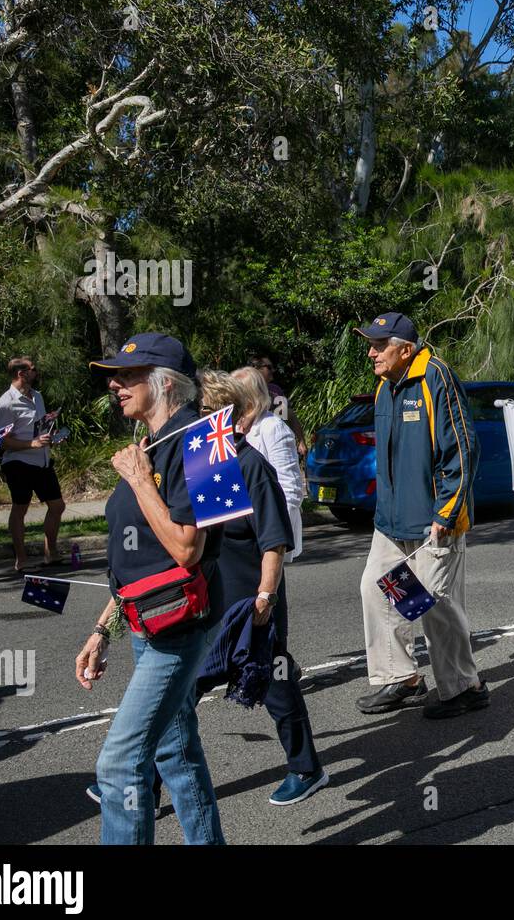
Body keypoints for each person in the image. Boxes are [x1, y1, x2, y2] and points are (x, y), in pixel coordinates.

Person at [74, 334, 225, 844]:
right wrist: (102, 630)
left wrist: (141, 482)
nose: (114, 384)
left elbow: (186, 550)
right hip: (144, 619)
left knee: (118, 766)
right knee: (174, 752)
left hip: (180, 626)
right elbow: (137, 562)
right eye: (114, 375)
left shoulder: (203, 441)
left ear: (164, 383)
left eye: (127, 375)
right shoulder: (147, 445)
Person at [197, 370, 326, 803]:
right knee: (183, 691)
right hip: (210, 601)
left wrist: (265, 597)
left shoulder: (251, 464)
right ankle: (144, 780)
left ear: (220, 416)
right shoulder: (204, 463)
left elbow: (273, 540)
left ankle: (306, 768)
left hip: (253, 599)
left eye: (199, 414)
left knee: (274, 679)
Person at [353, 312, 487, 719]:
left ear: (405, 349)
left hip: (435, 520)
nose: (373, 353)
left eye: (380, 345)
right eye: (371, 345)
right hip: (391, 522)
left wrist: (445, 513)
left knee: (433, 605)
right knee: (376, 590)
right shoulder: (384, 387)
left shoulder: (435, 377)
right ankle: (403, 679)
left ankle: (464, 687)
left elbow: (462, 449)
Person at [0, 356, 66, 572]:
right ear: (21, 373)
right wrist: (31, 444)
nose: (36, 372)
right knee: (20, 508)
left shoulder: (37, 396)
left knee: (57, 505)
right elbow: (2, 441)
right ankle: (21, 560)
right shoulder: (5, 403)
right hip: (18, 461)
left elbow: (40, 429)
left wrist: (51, 437)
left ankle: (50, 553)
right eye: (33, 369)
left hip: (41, 460)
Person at [232, 366, 304, 562]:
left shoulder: (273, 428)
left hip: (267, 536)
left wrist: (274, 544)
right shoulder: (234, 427)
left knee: (269, 591)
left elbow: (290, 490)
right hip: (241, 538)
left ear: (248, 397)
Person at [248, 354, 307, 457]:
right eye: (269, 367)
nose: (273, 370)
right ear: (256, 369)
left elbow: (287, 416)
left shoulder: (276, 390)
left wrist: (301, 441)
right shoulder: (245, 391)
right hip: (254, 446)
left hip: (277, 445)